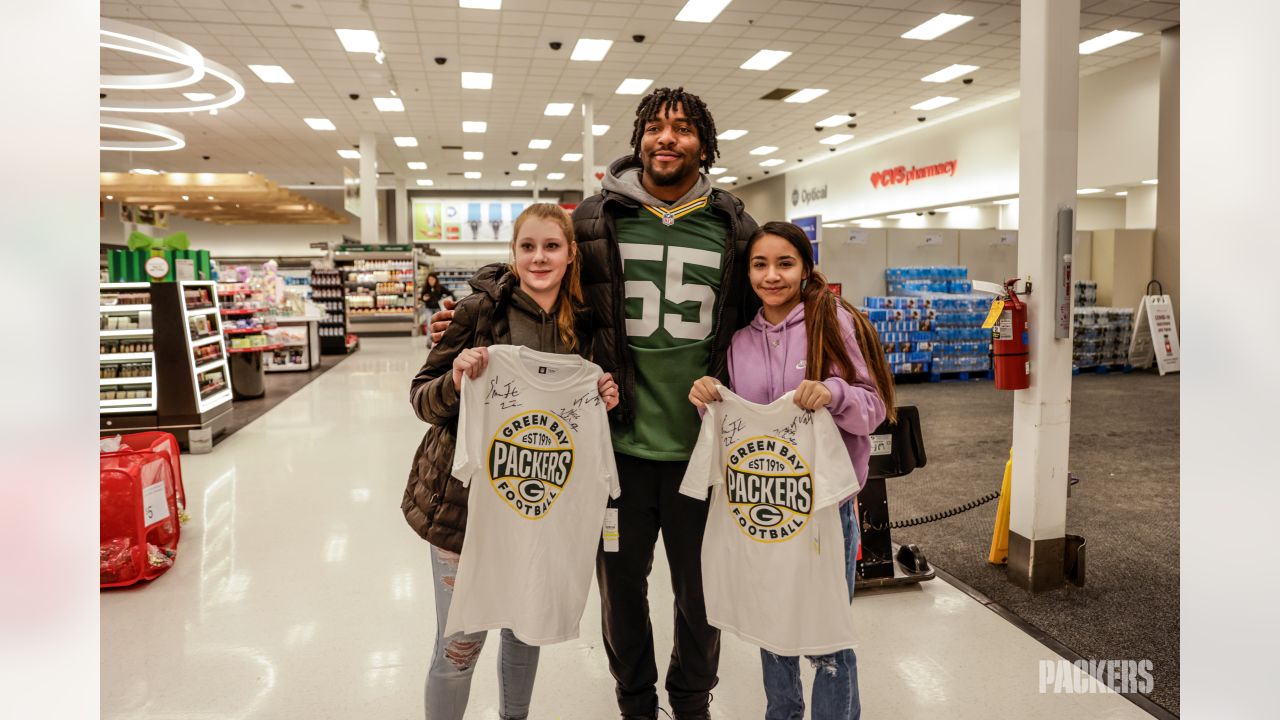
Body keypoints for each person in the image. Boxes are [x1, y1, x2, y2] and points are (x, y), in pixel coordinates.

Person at [430, 86, 759, 720]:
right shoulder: (595, 215)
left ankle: (692, 704)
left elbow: (777, 292)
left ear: (704, 144)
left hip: (700, 449)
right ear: (638, 137)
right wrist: (473, 309)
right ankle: (635, 704)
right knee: (622, 593)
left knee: (701, 592)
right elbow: (536, 259)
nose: (668, 138)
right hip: (614, 443)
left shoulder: (732, 225)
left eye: (684, 128)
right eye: (656, 127)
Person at [404, 203, 619, 720]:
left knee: (528, 626)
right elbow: (420, 398)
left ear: (570, 254)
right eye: (528, 247)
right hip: (462, 510)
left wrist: (607, 396)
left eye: (551, 246)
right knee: (459, 646)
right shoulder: (477, 313)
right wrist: (455, 379)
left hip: (537, 509)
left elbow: (591, 420)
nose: (539, 257)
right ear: (514, 252)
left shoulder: (587, 327)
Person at [687, 221, 896, 720]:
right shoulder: (738, 342)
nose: (772, 275)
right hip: (765, 512)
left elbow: (875, 409)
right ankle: (781, 713)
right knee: (772, 620)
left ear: (805, 268)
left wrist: (835, 392)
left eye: (785, 263)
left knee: (827, 634)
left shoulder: (834, 322)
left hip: (825, 510)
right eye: (760, 264)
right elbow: (746, 428)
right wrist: (707, 402)